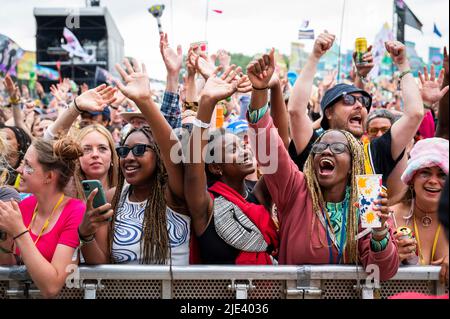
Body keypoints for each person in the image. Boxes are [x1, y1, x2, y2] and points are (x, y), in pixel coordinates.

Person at [246, 49, 398, 280]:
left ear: (353, 163)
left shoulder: (368, 196)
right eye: (319, 148)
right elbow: (269, 149)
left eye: (337, 149)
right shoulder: (295, 189)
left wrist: (379, 233)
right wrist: (259, 90)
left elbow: (381, 273)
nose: (325, 151)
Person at [288, 32, 424, 203]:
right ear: (328, 112)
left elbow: (415, 114)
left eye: (364, 101)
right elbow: (295, 111)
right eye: (348, 100)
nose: (360, 105)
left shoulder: (375, 153)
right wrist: (315, 57)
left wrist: (403, 64)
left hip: (365, 230)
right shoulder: (315, 149)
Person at [79, 59, 191, 265]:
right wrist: (85, 234)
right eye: (123, 151)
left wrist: (145, 101)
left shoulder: (173, 192)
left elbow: (172, 151)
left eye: (139, 150)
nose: (129, 157)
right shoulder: (112, 198)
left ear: (158, 156)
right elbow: (101, 261)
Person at [184, 64, 279, 265]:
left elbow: (278, 147)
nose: (246, 151)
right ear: (215, 166)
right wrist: (207, 102)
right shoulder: (205, 204)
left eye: (243, 146)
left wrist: (262, 89)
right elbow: (194, 161)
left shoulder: (260, 194)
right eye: (233, 150)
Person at [0, 137, 86, 298]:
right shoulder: (24, 207)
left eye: (28, 166)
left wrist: (18, 231)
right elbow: (9, 267)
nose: (19, 170)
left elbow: (52, 287)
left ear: (49, 177)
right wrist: (4, 238)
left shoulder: (76, 211)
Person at [390, 138, 448, 283]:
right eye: (425, 173)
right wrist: (387, 255)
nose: (433, 181)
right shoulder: (389, 218)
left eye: (442, 175)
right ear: (412, 178)